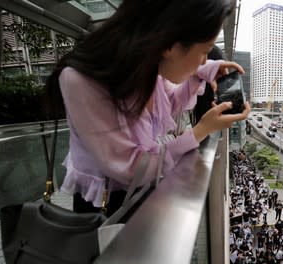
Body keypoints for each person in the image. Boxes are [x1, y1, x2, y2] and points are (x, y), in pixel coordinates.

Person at [45, 0, 251, 214]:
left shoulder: (146, 68)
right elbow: (131, 167)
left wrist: (204, 72)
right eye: (205, 51)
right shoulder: (81, 81)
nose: (203, 61)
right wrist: (201, 131)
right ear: (170, 45)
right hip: (103, 205)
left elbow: (169, 103)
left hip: (141, 191)